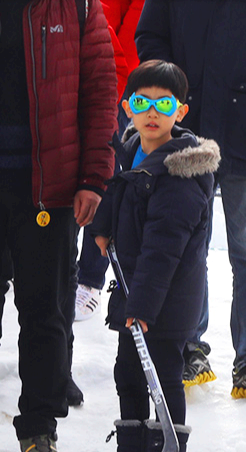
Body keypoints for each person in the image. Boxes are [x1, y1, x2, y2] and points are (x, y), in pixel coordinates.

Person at [135, 0, 246, 401]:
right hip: (188, 130)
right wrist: (174, 90)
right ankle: (188, 345)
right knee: (187, 245)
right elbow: (150, 35)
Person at [86, 60, 219, 452]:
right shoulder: (133, 150)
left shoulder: (182, 171)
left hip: (168, 297)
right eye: (142, 103)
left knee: (162, 376)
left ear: (180, 111)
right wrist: (103, 225)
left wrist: (142, 307)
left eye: (163, 104)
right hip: (137, 291)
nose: (152, 113)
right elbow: (119, 190)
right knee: (128, 371)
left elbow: (164, 250)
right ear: (127, 107)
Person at [0, 0, 116, 452]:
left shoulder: (80, 7)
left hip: (49, 186)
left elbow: (100, 94)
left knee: (46, 310)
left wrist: (93, 177)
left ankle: (39, 429)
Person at [72, 0, 146, 324]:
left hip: (112, 79)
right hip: (69, 73)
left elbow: (135, 29)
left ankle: (90, 278)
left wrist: (114, 81)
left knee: (101, 174)